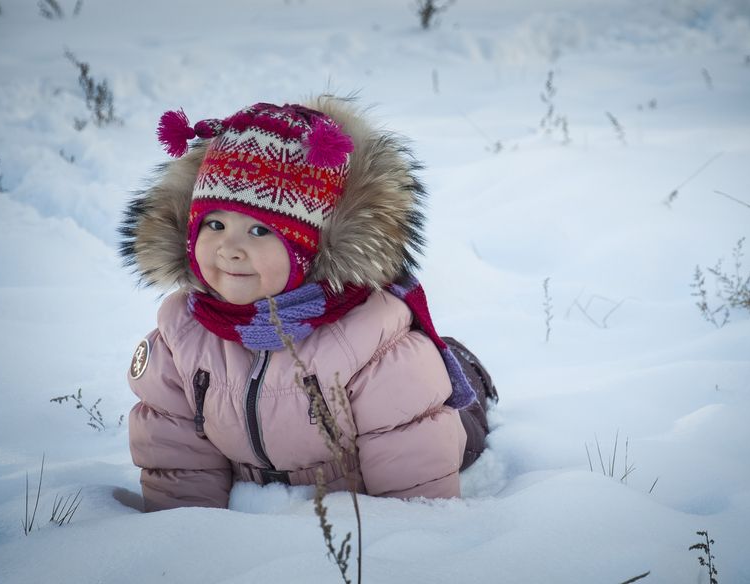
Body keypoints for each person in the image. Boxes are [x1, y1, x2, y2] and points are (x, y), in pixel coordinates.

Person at [119, 95, 497, 511]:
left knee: (443, 393)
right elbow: (178, 463)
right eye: (215, 224)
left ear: (308, 246)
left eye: (260, 231)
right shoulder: (181, 335)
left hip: (413, 439)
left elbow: (416, 479)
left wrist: (405, 543)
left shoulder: (375, 345)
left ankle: (465, 365)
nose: (229, 248)